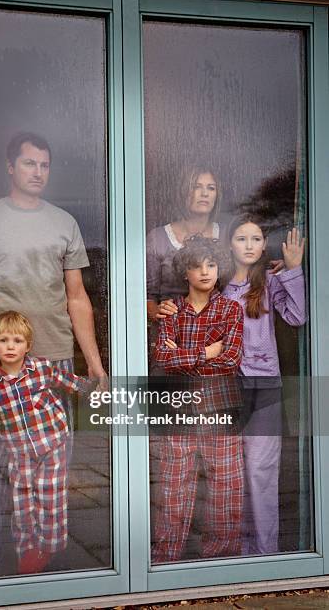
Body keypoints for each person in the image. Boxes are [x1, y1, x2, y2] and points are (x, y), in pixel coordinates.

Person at [0, 132, 106, 578]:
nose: (38, 172)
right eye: (29, 163)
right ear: (9, 166)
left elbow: (77, 297)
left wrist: (93, 364)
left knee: (51, 471)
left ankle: (44, 562)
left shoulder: (65, 223)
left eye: (44, 165)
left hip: (54, 360)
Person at [0, 311, 91, 575]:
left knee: (49, 497)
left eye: (17, 341)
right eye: (4, 340)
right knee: (22, 506)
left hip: (52, 443)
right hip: (18, 452)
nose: (10, 346)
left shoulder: (41, 369)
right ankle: (28, 555)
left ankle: (49, 548)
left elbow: (70, 382)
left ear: (28, 346)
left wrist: (94, 389)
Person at [151, 236, 244, 563]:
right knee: (174, 488)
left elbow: (230, 360)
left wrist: (186, 358)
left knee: (225, 488)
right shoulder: (172, 311)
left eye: (211, 264)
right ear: (184, 272)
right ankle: (166, 559)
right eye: (196, 265)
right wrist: (206, 352)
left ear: (219, 268)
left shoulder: (231, 309)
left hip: (221, 408)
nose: (204, 271)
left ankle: (222, 560)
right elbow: (163, 357)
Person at [222, 214, 306, 555]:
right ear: (230, 243)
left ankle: (263, 554)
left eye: (256, 239)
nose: (249, 245)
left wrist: (293, 269)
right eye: (242, 238)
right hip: (225, 389)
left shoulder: (271, 282)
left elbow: (298, 316)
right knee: (230, 473)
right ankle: (235, 551)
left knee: (261, 470)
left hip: (264, 388)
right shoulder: (217, 282)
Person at [146, 167, 221, 324]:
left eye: (211, 188)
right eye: (196, 186)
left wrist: (282, 264)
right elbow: (148, 296)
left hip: (218, 327)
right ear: (183, 191)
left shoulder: (227, 233)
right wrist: (157, 313)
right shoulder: (158, 238)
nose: (205, 193)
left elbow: (250, 265)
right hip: (173, 329)